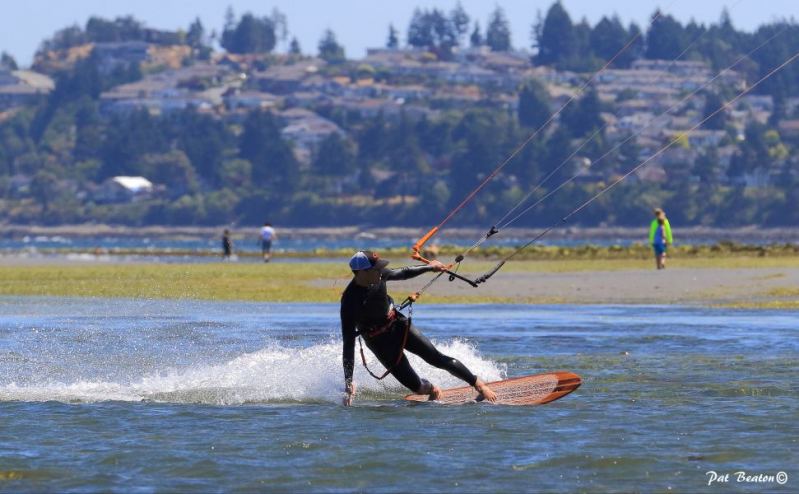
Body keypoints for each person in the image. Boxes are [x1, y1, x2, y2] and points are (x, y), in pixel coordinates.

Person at [340, 250, 497, 406]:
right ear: (361, 272)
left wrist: (429, 267)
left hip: (398, 325)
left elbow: (403, 272)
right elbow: (348, 344)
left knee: (436, 358)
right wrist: (349, 382)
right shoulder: (349, 302)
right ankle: (432, 390)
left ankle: (478, 384)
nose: (380, 271)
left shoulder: (380, 275)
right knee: (418, 388)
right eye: (376, 268)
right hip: (379, 343)